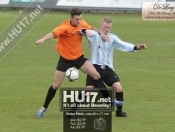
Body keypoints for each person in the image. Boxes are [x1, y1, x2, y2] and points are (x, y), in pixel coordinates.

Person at [35, 8, 108, 118]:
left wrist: (101, 32)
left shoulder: (82, 23)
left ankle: (108, 101)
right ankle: (43, 108)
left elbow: (92, 28)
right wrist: (43, 39)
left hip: (78, 57)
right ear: (71, 18)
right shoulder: (64, 27)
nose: (79, 21)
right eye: (77, 19)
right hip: (65, 59)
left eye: (80, 19)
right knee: (56, 85)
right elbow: (52, 33)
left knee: (96, 75)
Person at [81, 16, 147, 117]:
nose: (106, 29)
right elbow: (80, 30)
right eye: (105, 27)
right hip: (94, 68)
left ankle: (119, 112)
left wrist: (137, 47)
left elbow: (123, 45)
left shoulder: (112, 37)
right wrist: (86, 30)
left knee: (119, 88)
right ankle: (72, 110)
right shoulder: (93, 35)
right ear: (101, 26)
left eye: (109, 27)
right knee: (88, 92)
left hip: (107, 69)